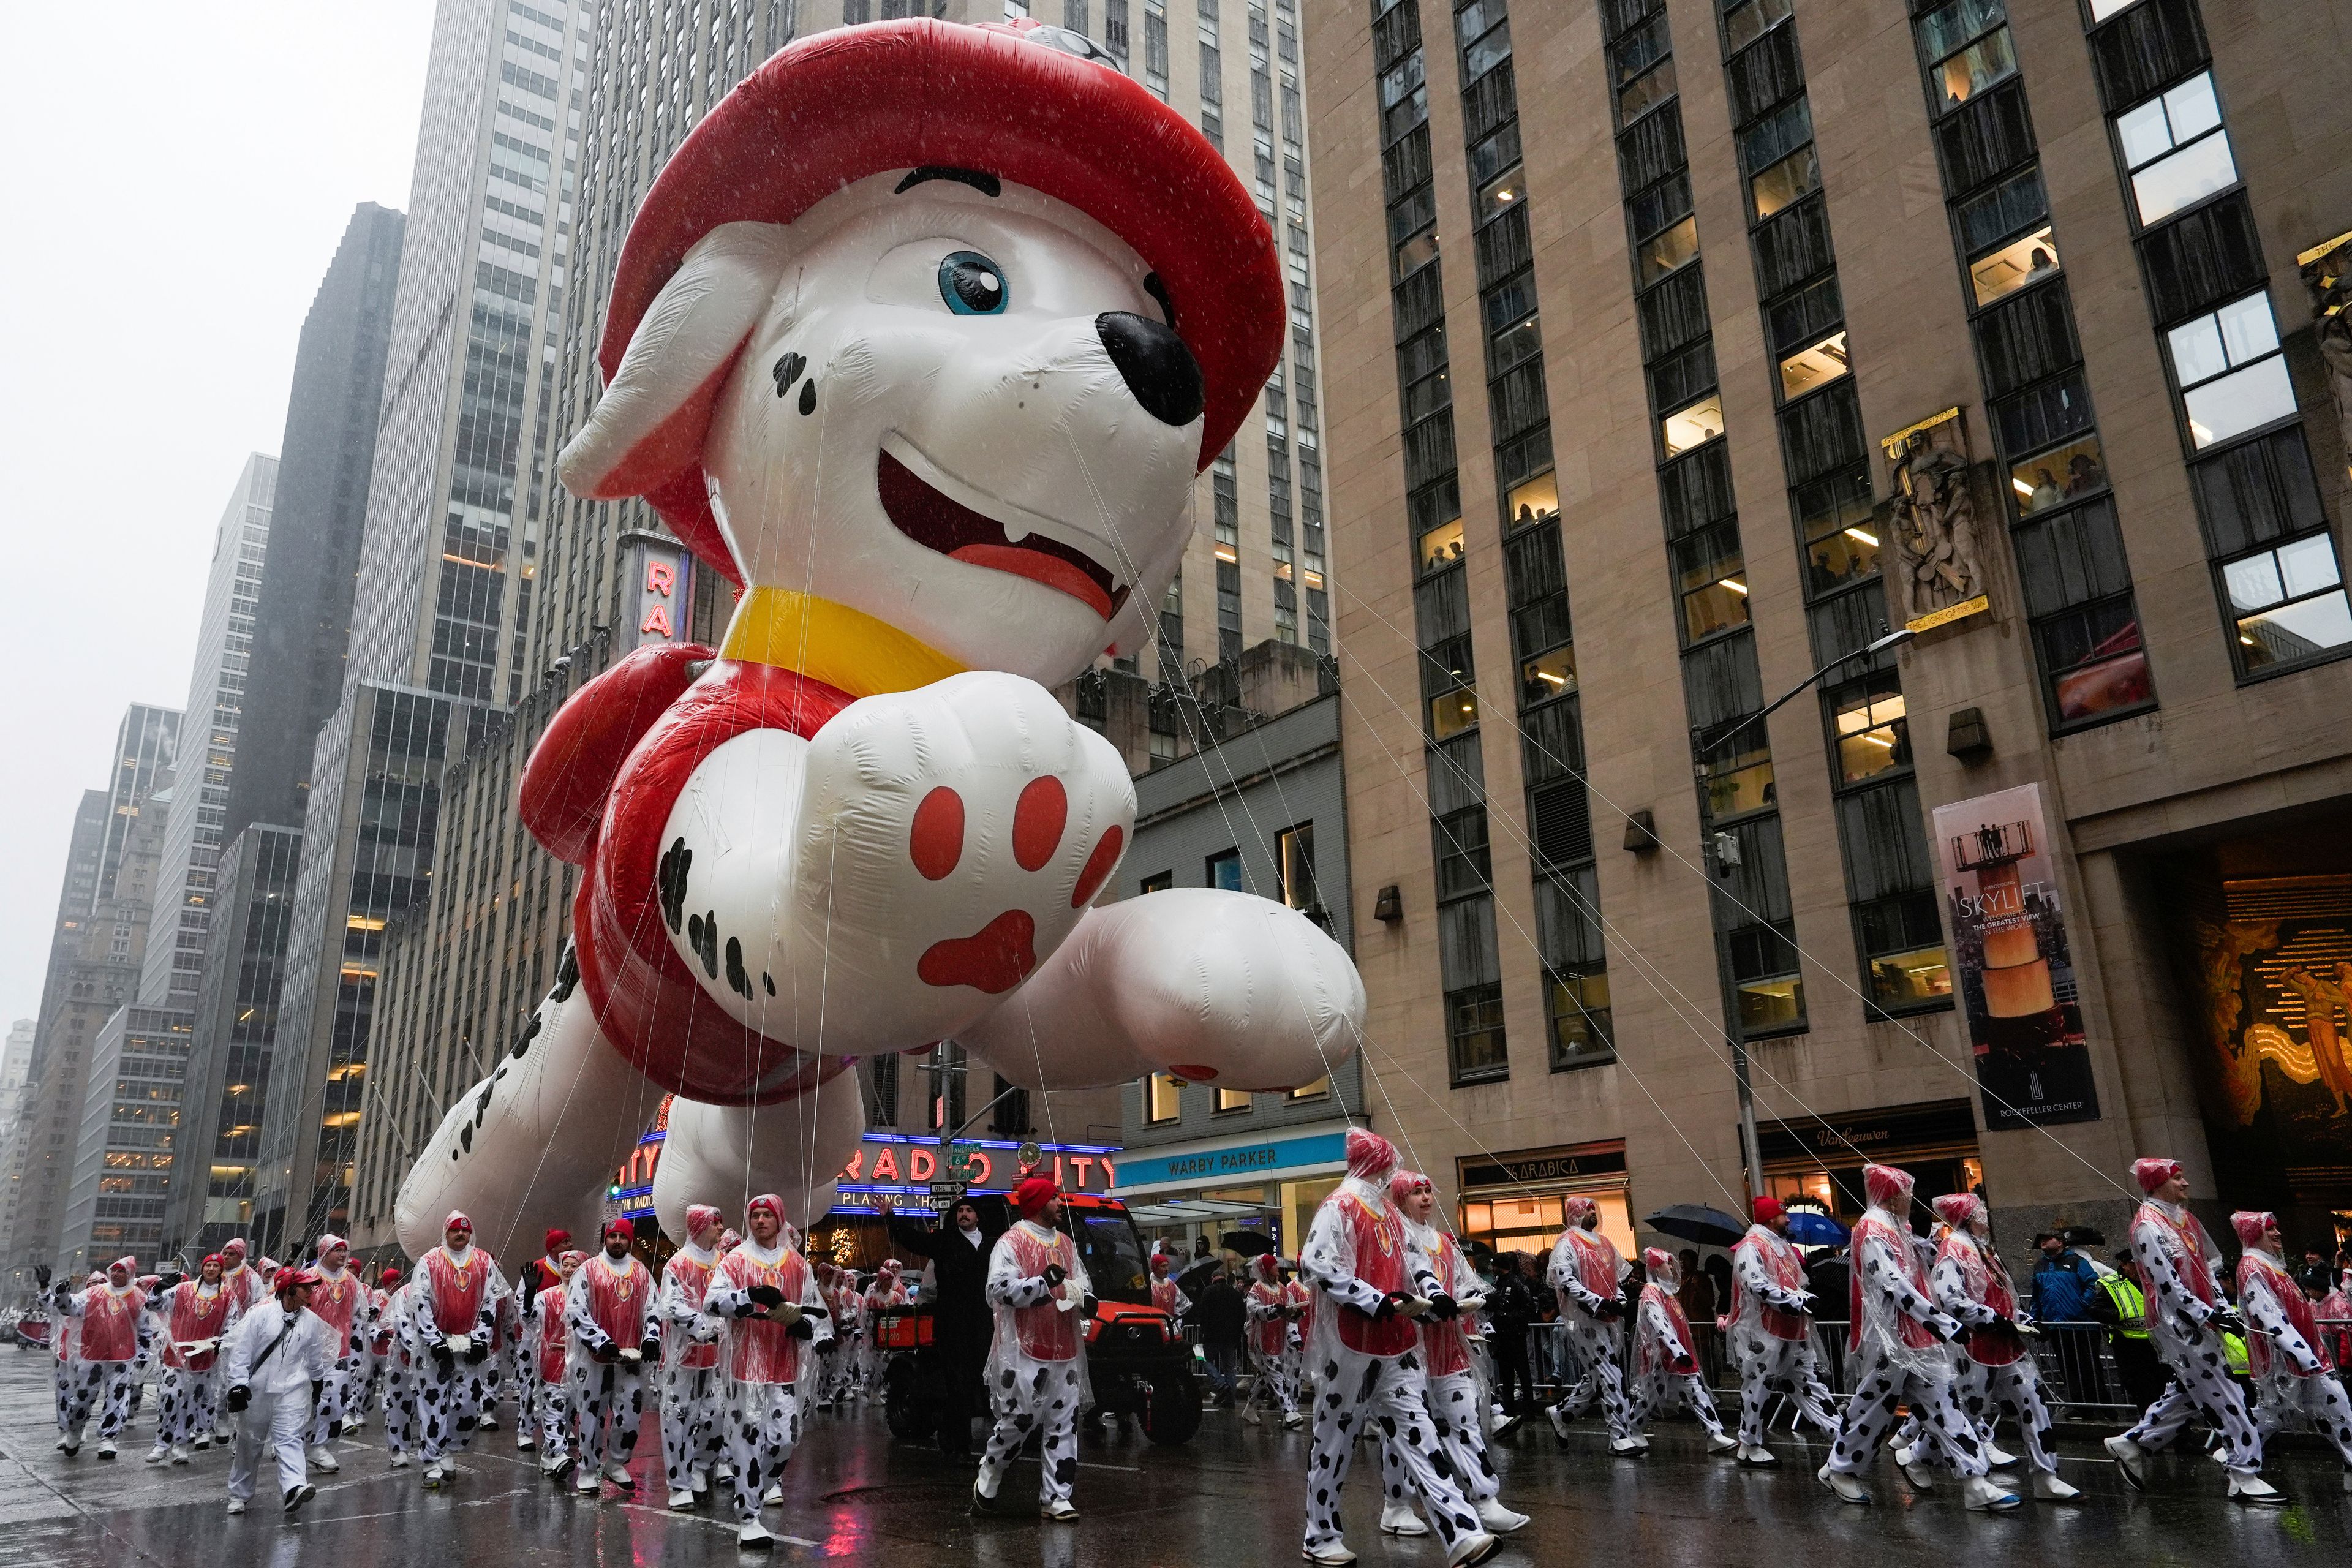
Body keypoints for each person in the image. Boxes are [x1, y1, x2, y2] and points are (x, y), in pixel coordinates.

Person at [1295, 1129, 1496, 1568]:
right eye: (1388, 1163)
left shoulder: (1387, 1212)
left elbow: (1414, 1260)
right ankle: (1320, 1533)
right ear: (1375, 1163)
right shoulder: (1339, 1206)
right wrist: (1373, 1300)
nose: (1392, 1172)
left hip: (1396, 1342)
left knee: (1421, 1434)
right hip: (1349, 1347)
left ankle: (1462, 1533)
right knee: (1335, 1440)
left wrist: (1432, 1293)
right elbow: (1315, 1262)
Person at [1816, 1164, 2015, 1511]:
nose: (1911, 1198)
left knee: (1946, 1405)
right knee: (1871, 1409)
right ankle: (1839, 1469)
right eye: (1906, 1192)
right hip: (1888, 1341)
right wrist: (1942, 1322)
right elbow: (1892, 1283)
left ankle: (1975, 1482)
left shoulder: (1897, 1228)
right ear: (1892, 1196)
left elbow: (1913, 1276)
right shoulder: (1873, 1227)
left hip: (1917, 1339)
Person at [2103, 1159, 2284, 1504]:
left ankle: (2131, 1444)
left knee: (2190, 1392)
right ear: (2157, 1184)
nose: (2186, 1184)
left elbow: (2206, 1273)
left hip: (2201, 1321)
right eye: (2177, 1178)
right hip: (2180, 1326)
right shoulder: (2147, 1226)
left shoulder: (2185, 1220)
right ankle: (2244, 1472)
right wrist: (2206, 1315)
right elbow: (2165, 1284)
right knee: (2227, 1394)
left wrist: (2223, 1309)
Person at [1390, 1170, 1528, 1536]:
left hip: (1449, 1350)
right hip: (1408, 1352)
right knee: (1405, 1432)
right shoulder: (1393, 1237)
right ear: (1400, 1198)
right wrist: (1429, 1306)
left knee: (1464, 1422)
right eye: (1415, 1192)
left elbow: (1470, 1284)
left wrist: (1479, 1300)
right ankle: (1397, 1504)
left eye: (1427, 1191)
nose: (1425, 1198)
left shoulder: (1443, 1243)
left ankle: (1486, 1499)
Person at [1925, 1194, 2079, 1501]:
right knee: (1968, 1412)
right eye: (1980, 1210)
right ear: (1969, 1217)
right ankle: (1917, 1456)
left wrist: (2025, 1320)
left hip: (2008, 1346)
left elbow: (2003, 1297)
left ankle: (2046, 1476)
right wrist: (1993, 1320)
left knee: (2034, 1404)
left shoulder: (1985, 1250)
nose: (1986, 1214)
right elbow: (1949, 1298)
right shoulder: (1953, 1248)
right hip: (1976, 1348)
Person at [703, 1193, 831, 1550]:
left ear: (779, 1220)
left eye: (766, 1215)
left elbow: (815, 1308)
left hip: (784, 1367)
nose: (760, 1221)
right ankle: (749, 1520)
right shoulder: (734, 1261)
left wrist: (811, 1330)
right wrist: (749, 1296)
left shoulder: (798, 1264)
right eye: (754, 1215)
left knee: (785, 1438)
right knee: (746, 1444)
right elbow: (712, 1302)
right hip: (746, 1368)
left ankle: (752, 1494)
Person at [971, 1177, 1095, 1523]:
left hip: (1065, 1348)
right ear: (1039, 1204)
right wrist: (1043, 1282)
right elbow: (999, 1289)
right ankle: (991, 1470)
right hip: (1022, 1351)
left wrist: (1087, 1300)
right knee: (1020, 1421)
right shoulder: (1010, 1242)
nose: (1060, 1203)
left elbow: (1080, 1284)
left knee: (1064, 1423)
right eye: (1055, 1198)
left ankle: (1057, 1496)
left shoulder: (1067, 1244)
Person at [2233, 1212, 2352, 1488]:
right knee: (2273, 1416)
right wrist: (2302, 1355)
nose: (2278, 1235)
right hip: (2285, 1363)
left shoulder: (2268, 1264)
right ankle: (2235, 1458)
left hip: (2306, 1359)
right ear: (2254, 1234)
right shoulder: (2251, 1266)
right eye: (2270, 1230)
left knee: (2337, 1408)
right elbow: (2268, 1316)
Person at [1726, 1196, 1836, 1466]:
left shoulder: (1780, 1247)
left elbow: (1796, 1282)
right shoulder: (1751, 1247)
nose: (1787, 1219)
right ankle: (1750, 1445)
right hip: (1760, 1332)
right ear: (1768, 1218)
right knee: (1758, 1387)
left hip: (1789, 1329)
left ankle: (1843, 1436)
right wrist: (1797, 1301)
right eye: (1782, 1215)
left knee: (1807, 1383)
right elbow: (1756, 1285)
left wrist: (1802, 1298)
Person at [407, 1208, 511, 1487]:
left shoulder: (483, 1262)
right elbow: (420, 1302)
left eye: (465, 1230)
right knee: (432, 1404)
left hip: (469, 1347)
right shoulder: (429, 1262)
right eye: (455, 1230)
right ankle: (431, 1462)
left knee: (467, 1402)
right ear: (446, 1232)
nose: (461, 1234)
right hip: (436, 1349)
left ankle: (447, 1449)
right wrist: (433, 1340)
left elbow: (491, 1302)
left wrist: (481, 1338)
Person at [885, 1193, 993, 1458]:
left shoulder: (993, 1245)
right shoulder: (946, 1242)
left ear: (977, 1216)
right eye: (960, 1211)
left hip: (983, 1325)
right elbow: (915, 1241)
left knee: (985, 1381)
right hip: (952, 1326)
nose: (964, 1214)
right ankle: (960, 1446)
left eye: (969, 1210)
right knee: (958, 1384)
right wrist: (890, 1218)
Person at [221, 1266, 334, 1517]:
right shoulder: (260, 1316)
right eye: (306, 1288)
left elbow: (315, 1358)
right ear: (290, 1290)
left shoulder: (311, 1322)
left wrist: (317, 1382)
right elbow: (241, 1354)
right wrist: (238, 1385)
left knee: (290, 1438)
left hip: (292, 1391)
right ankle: (239, 1494)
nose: (311, 1292)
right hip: (257, 1391)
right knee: (249, 1443)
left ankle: (294, 1488)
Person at [566, 1216, 661, 1497]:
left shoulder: (641, 1272)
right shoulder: (588, 1270)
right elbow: (576, 1310)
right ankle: (587, 1468)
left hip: (630, 1360)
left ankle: (616, 1462)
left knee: (630, 1416)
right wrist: (601, 1342)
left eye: (622, 1237)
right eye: (613, 1236)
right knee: (592, 1414)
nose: (617, 1242)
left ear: (629, 1240)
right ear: (605, 1239)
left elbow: (653, 1308)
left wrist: (651, 1338)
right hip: (596, 1359)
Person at [1546, 1194, 1638, 1455]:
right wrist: (1597, 1302)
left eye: (1593, 1209)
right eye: (1587, 1210)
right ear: (1575, 1214)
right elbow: (1565, 1280)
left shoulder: (1606, 1243)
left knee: (1600, 1377)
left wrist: (1618, 1302)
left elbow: (1615, 1279)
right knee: (1611, 1375)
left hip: (1609, 1319)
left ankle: (1562, 1415)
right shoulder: (1567, 1243)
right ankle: (1619, 1435)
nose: (1592, 1213)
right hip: (1586, 1320)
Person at [1627, 1246, 1737, 1455]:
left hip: (1673, 1356)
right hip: (1663, 1356)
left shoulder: (1666, 1292)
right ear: (1656, 1268)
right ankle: (1633, 1428)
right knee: (1653, 1395)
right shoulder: (1652, 1291)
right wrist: (1677, 1350)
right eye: (1667, 1263)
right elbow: (1660, 1323)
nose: (1671, 1267)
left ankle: (1714, 1434)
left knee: (1693, 1390)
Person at [658, 1204, 728, 1507]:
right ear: (700, 1226)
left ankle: (701, 1468)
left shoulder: (724, 1262)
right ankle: (679, 1484)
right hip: (682, 1359)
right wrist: (703, 1327)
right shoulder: (677, 1264)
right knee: (678, 1418)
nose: (720, 1228)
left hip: (716, 1358)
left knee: (716, 1416)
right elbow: (671, 1305)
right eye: (715, 1223)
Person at [52, 1255, 154, 1459]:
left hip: (123, 1358)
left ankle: (108, 1438)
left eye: (122, 1271)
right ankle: (74, 1432)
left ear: (130, 1274)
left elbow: (145, 1330)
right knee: (83, 1398)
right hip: (92, 1356)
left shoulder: (139, 1298)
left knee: (118, 1398)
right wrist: (62, 1295)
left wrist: (143, 1357)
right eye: (114, 1270)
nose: (116, 1274)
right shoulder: (93, 1292)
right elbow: (70, 1308)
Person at [144, 1254, 234, 1465]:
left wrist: (224, 1340)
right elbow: (154, 1305)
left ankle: (181, 1445)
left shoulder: (228, 1295)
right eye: (207, 1265)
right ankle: (161, 1444)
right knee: (171, 1397)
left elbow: (233, 1321)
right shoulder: (183, 1290)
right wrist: (158, 1289)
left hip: (204, 1357)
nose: (211, 1269)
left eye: (215, 1266)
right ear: (202, 1268)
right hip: (175, 1354)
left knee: (192, 1402)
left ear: (221, 1270)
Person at [301, 1235, 371, 1474]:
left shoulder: (351, 1282)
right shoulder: (309, 1279)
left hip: (339, 1355)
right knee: (304, 1403)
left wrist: (356, 1354)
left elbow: (357, 1318)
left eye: (344, 1250)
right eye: (336, 1250)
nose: (342, 1255)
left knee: (334, 1402)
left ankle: (321, 1447)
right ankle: (295, 1446)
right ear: (324, 1252)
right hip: (307, 1354)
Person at [509, 1227, 573, 1453]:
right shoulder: (536, 1269)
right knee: (529, 1385)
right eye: (564, 1242)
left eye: (569, 1242)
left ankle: (562, 1428)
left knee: (567, 1386)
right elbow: (520, 1303)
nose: (569, 1246)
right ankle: (525, 1432)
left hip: (566, 1343)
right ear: (552, 1247)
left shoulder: (575, 1268)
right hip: (535, 1341)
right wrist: (530, 1294)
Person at [526, 1250, 583, 1480]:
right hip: (552, 1362)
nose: (569, 1270)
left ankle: (549, 1458)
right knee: (553, 1410)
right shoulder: (547, 1297)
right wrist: (531, 1294)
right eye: (565, 1265)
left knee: (569, 1414)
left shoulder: (590, 1297)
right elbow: (529, 1319)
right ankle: (559, 1454)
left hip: (579, 1365)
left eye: (574, 1265)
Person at [1242, 1253, 1306, 1428]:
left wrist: (1296, 1316)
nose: (1277, 1269)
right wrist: (1273, 1310)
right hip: (1262, 1341)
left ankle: (1250, 1408)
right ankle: (1289, 1412)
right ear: (1266, 1269)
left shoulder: (1282, 1289)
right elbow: (1255, 1310)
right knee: (1276, 1373)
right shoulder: (1256, 1289)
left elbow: (1289, 1313)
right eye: (1274, 1266)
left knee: (1266, 1377)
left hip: (1279, 1340)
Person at [1483, 1254, 1539, 1433]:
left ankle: (1529, 1410)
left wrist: (1509, 1318)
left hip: (1516, 1335)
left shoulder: (1517, 1283)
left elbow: (1529, 1308)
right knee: (1506, 1374)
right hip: (1502, 1336)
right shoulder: (1497, 1284)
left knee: (1523, 1373)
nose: (1492, 1269)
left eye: (1494, 1265)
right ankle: (1508, 1409)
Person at [1196, 1264, 1246, 1408]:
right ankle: (1230, 1399)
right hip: (1230, 1336)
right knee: (1229, 1367)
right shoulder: (1234, 1293)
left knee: (1201, 1357)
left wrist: (1203, 1331)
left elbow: (1202, 1314)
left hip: (1212, 1336)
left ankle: (1220, 1384)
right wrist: (1237, 1334)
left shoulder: (1208, 1292)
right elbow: (1241, 1315)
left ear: (1213, 1279)